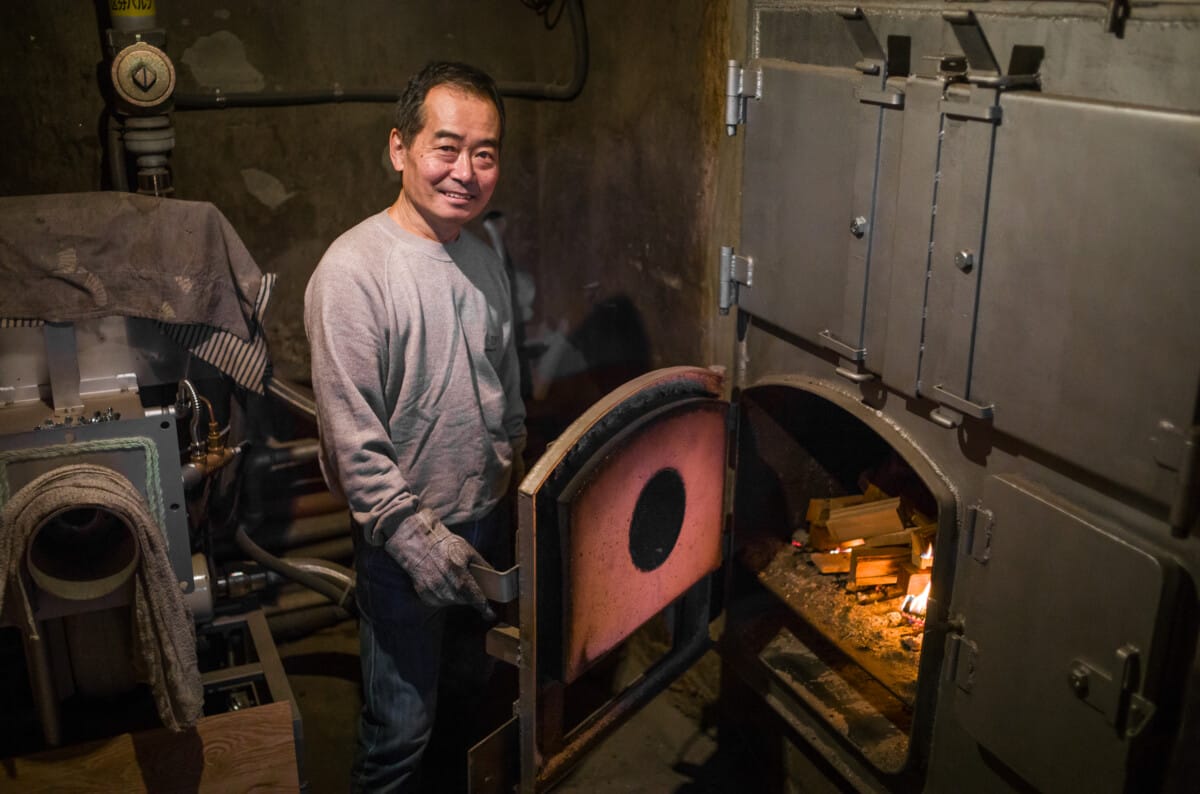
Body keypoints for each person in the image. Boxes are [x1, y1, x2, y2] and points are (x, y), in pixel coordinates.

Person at [304, 61, 526, 793]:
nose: (465, 171)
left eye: (484, 153)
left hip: (485, 529)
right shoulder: (353, 272)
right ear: (399, 149)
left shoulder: (480, 253)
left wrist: (513, 474)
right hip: (405, 550)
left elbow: (503, 378)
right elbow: (350, 438)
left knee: (466, 708)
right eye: (447, 147)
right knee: (399, 734)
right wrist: (409, 536)